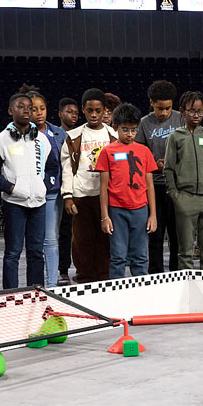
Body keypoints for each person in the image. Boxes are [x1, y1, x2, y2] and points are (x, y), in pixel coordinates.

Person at [0, 93, 60, 288]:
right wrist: (10, 188)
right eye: (20, 107)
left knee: (36, 251)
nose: (26, 111)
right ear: (10, 111)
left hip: (38, 203)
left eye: (29, 107)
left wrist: (45, 185)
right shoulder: (2, 139)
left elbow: (53, 166)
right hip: (14, 203)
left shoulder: (41, 139)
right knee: (13, 252)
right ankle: (10, 293)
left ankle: (36, 291)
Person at [96, 103, 158, 278]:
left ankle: (141, 290)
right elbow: (103, 188)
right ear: (115, 127)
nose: (130, 134)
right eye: (125, 129)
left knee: (140, 257)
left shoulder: (144, 151)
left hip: (140, 210)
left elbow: (150, 186)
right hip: (117, 211)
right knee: (118, 257)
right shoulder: (107, 152)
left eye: (133, 130)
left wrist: (153, 215)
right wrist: (105, 216)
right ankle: (117, 292)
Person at [61, 89, 116, 283]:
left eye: (98, 111)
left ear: (104, 111)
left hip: (106, 196)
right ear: (83, 110)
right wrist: (68, 196)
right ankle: (85, 277)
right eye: (90, 110)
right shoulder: (73, 136)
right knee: (82, 239)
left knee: (105, 238)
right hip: (81, 195)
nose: (94, 114)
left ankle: (104, 276)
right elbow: (67, 168)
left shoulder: (113, 135)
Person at [163, 92, 203, 271]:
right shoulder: (175, 137)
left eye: (200, 111)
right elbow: (168, 168)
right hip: (186, 199)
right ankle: (187, 287)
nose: (196, 115)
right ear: (182, 111)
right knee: (185, 252)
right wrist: (176, 195)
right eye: (192, 111)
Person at [136, 80, 185, 273]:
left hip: (177, 186)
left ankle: (177, 273)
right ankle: (155, 273)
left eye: (168, 108)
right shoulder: (144, 123)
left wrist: (174, 163)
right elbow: (138, 154)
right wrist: (153, 164)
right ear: (151, 103)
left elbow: (188, 151)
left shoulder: (181, 119)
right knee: (155, 234)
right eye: (159, 108)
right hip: (154, 186)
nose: (164, 112)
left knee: (177, 235)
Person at [29, 89, 67, 287]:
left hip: (53, 193)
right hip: (29, 194)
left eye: (42, 108)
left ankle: (52, 284)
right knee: (34, 241)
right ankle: (35, 283)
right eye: (34, 109)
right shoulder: (20, 133)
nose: (39, 113)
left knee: (51, 239)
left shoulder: (59, 133)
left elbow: (66, 164)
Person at [56, 96, 80, 285]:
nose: (73, 116)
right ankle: (63, 269)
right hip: (60, 189)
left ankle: (81, 268)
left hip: (79, 188)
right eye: (69, 112)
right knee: (64, 232)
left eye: (76, 113)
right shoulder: (54, 134)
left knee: (79, 232)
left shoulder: (81, 134)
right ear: (60, 114)